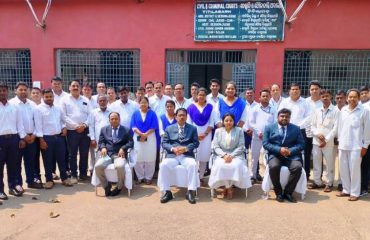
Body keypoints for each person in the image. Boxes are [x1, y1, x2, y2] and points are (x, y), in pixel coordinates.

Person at [263, 108, 305, 203]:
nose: (284, 118)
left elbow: (301, 144)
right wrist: (279, 149)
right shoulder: (269, 127)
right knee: (274, 166)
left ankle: (288, 193)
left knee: (298, 167)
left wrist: (290, 151)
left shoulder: (296, 128)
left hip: (291, 155)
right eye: (282, 116)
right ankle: (278, 193)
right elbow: (265, 143)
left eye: (287, 117)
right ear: (278, 117)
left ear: (290, 118)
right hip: (275, 154)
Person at [158, 108, 200, 204]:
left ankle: (190, 191)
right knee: (163, 165)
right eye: (179, 115)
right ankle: (167, 192)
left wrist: (185, 148)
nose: (181, 117)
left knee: (192, 165)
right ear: (175, 117)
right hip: (173, 155)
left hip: (186, 155)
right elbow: (164, 143)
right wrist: (173, 149)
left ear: (186, 117)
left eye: (183, 115)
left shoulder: (192, 128)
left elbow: (196, 143)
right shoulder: (169, 128)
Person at [34, 88, 73, 189]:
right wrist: (41, 140)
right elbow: (38, 126)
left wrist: (64, 127)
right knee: (48, 160)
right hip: (46, 138)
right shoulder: (38, 109)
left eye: (50, 96)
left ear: (53, 97)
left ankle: (64, 178)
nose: (49, 98)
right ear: (43, 97)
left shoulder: (58, 108)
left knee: (62, 159)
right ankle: (49, 180)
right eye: (46, 97)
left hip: (59, 138)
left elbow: (63, 120)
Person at [336, 89, 370, 201]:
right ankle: (346, 190)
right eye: (350, 97)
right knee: (343, 169)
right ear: (347, 98)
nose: (352, 99)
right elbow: (340, 127)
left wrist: (365, 145)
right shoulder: (344, 110)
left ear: (358, 98)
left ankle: (355, 192)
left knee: (355, 170)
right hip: (343, 145)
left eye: (355, 97)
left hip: (356, 146)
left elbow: (367, 130)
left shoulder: (364, 111)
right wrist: (339, 140)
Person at [208, 113, 251, 199]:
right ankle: (228, 188)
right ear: (223, 122)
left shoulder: (239, 130)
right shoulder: (218, 131)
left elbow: (241, 146)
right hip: (221, 155)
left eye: (231, 120)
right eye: (226, 120)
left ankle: (228, 188)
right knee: (221, 166)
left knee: (235, 165)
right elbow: (215, 146)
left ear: (234, 121)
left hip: (236, 155)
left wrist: (231, 156)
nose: (228, 122)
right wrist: (224, 155)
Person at [9, 82, 42, 191]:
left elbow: (37, 121)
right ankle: (18, 184)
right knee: (16, 162)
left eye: (25, 90)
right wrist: (23, 137)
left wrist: (34, 135)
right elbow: (14, 123)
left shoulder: (32, 104)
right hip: (18, 138)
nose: (23, 92)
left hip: (32, 137)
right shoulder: (11, 104)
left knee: (31, 160)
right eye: (21, 89)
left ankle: (31, 181)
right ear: (15, 91)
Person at [96, 112, 134, 197]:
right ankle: (106, 186)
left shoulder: (126, 130)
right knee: (97, 166)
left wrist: (123, 148)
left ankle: (119, 187)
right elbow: (101, 142)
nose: (114, 120)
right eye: (112, 119)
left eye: (116, 119)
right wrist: (103, 147)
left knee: (120, 166)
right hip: (107, 155)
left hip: (119, 155)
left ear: (119, 120)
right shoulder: (104, 129)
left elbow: (131, 143)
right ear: (109, 120)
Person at [61, 79, 92, 183]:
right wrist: (75, 126)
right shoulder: (64, 100)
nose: (75, 87)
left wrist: (84, 125)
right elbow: (64, 116)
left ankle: (83, 174)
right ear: (69, 87)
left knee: (84, 153)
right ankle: (74, 174)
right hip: (72, 131)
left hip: (85, 130)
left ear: (80, 88)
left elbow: (90, 115)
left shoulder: (85, 100)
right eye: (73, 86)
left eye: (77, 86)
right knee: (72, 154)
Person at [279, 83, 311, 180]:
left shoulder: (305, 102)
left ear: (300, 90)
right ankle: (286, 174)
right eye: (293, 89)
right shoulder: (285, 102)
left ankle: (303, 176)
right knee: (286, 151)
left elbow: (309, 116)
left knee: (301, 152)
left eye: (297, 89)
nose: (295, 91)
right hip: (286, 131)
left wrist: (297, 127)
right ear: (289, 91)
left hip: (300, 131)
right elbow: (280, 114)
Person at [309, 89, 339, 192]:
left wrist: (326, 139)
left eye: (327, 96)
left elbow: (335, 128)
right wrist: (317, 134)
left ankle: (329, 183)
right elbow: (312, 126)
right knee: (317, 162)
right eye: (323, 96)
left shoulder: (335, 111)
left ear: (331, 97)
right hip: (316, 141)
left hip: (328, 142)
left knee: (329, 163)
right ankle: (317, 182)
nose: (325, 98)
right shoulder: (317, 110)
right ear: (320, 98)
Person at [0, 82, 26, 199]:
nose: (2, 93)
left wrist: (21, 138)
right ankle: (0, 191)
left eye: (4, 90)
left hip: (14, 139)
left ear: (8, 91)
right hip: (0, 140)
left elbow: (19, 124)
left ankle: (12, 187)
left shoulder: (14, 107)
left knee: (13, 165)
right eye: (0, 90)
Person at [249, 89, 277, 182]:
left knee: (268, 156)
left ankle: (268, 176)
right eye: (263, 96)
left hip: (269, 138)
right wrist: (258, 132)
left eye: (267, 96)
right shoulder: (255, 109)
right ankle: (253, 176)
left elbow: (275, 123)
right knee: (254, 157)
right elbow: (251, 123)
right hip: (257, 137)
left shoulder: (273, 109)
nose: (265, 98)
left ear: (270, 97)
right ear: (259, 97)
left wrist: (267, 133)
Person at [187, 88, 214, 184]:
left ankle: (201, 176)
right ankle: (193, 176)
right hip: (194, 136)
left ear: (206, 96)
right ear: (197, 96)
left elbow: (211, 123)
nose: (201, 97)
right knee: (194, 156)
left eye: (203, 95)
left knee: (204, 156)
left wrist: (205, 134)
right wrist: (196, 135)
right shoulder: (191, 107)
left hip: (206, 136)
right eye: (199, 95)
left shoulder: (210, 107)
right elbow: (189, 123)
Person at [131, 97, 159, 184]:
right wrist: (141, 134)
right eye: (141, 102)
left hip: (150, 137)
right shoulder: (135, 113)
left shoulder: (153, 114)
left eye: (145, 102)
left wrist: (145, 134)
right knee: (138, 157)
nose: (143, 104)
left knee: (150, 157)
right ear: (139, 104)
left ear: (148, 104)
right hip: (137, 137)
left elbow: (154, 126)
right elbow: (133, 126)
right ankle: (140, 177)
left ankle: (148, 177)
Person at [88, 95, 111, 175]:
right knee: (96, 157)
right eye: (100, 101)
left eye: (104, 100)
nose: (102, 102)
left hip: (109, 140)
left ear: (107, 102)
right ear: (97, 102)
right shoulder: (93, 112)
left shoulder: (111, 112)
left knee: (107, 157)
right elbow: (91, 126)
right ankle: (96, 175)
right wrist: (92, 139)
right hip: (97, 139)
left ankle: (107, 175)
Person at [334, 89, 347, 191]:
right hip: (331, 140)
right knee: (331, 162)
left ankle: (341, 182)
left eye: (341, 98)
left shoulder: (348, 110)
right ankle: (329, 182)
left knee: (342, 162)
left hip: (344, 141)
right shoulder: (333, 109)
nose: (339, 100)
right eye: (337, 98)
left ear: (345, 98)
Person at [361, 98, 370, 196]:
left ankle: (364, 187)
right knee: (363, 166)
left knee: (366, 166)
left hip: (366, 142)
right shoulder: (362, 107)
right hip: (363, 142)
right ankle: (363, 186)